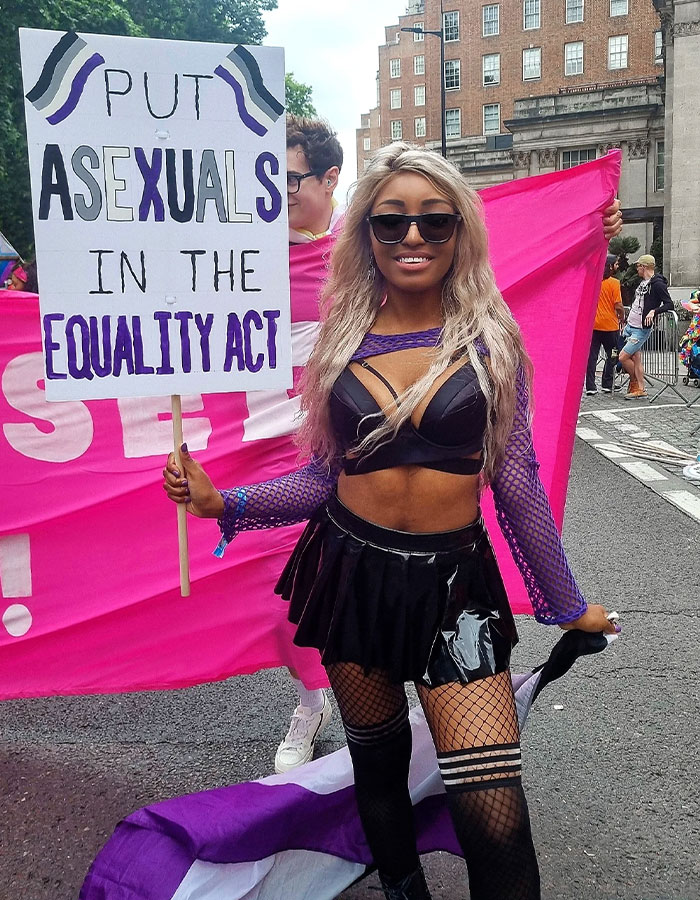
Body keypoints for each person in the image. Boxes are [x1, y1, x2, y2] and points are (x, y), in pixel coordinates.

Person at [163, 143, 619, 900]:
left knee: (493, 808)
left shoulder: (491, 338)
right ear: (366, 234)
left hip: (456, 593)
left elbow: (516, 481)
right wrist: (225, 504)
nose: (413, 238)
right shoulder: (341, 337)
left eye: (435, 223)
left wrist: (567, 604)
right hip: (350, 575)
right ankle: (404, 889)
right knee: (375, 763)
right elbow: (320, 478)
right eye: (393, 222)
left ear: (459, 234)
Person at [619, 253, 673, 399]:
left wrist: (654, 311)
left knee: (623, 357)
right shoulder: (643, 282)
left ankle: (636, 382)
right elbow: (637, 303)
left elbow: (669, 304)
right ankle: (640, 387)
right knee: (636, 357)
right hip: (632, 324)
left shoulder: (658, 284)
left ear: (644, 267)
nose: (637, 269)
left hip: (641, 329)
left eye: (638, 266)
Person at [585, 253, 625, 395]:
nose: (617, 266)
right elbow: (618, 305)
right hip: (610, 326)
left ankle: (590, 386)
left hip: (594, 325)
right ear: (610, 265)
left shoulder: (594, 280)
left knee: (592, 356)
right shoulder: (614, 283)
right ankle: (607, 383)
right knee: (613, 354)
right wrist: (622, 317)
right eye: (616, 263)